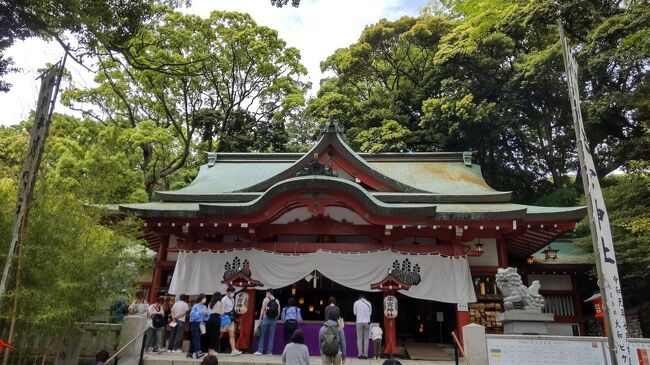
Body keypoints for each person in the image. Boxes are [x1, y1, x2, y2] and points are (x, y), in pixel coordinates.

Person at [255, 288, 281, 355]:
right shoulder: (277, 300)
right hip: (273, 320)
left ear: (269, 293)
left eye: (266, 293)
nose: (266, 294)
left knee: (262, 335)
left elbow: (262, 309)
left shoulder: (265, 299)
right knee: (271, 336)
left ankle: (260, 351)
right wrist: (276, 318)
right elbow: (278, 311)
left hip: (266, 318)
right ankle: (269, 352)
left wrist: (260, 319)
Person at [220, 286, 242, 356]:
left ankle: (233, 350)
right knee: (220, 334)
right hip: (225, 319)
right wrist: (223, 318)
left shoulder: (232, 299)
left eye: (233, 292)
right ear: (227, 292)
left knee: (232, 334)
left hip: (231, 319)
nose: (232, 293)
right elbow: (221, 310)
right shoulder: (224, 300)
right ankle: (213, 349)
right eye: (231, 292)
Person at [188, 293, 210, 359]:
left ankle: (189, 353)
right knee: (196, 337)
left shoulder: (205, 307)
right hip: (194, 323)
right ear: (200, 299)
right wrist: (200, 313)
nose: (205, 299)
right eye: (204, 298)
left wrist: (206, 314)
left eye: (205, 298)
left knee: (196, 338)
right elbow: (192, 316)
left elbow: (207, 317)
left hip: (201, 323)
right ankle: (198, 352)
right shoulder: (195, 306)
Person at [353, 294, 372, 359]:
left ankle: (360, 354)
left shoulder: (356, 302)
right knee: (366, 339)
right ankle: (365, 355)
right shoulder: (369, 303)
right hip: (367, 322)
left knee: (359, 339)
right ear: (365, 298)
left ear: (359, 298)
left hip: (359, 322)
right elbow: (370, 313)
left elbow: (354, 313)